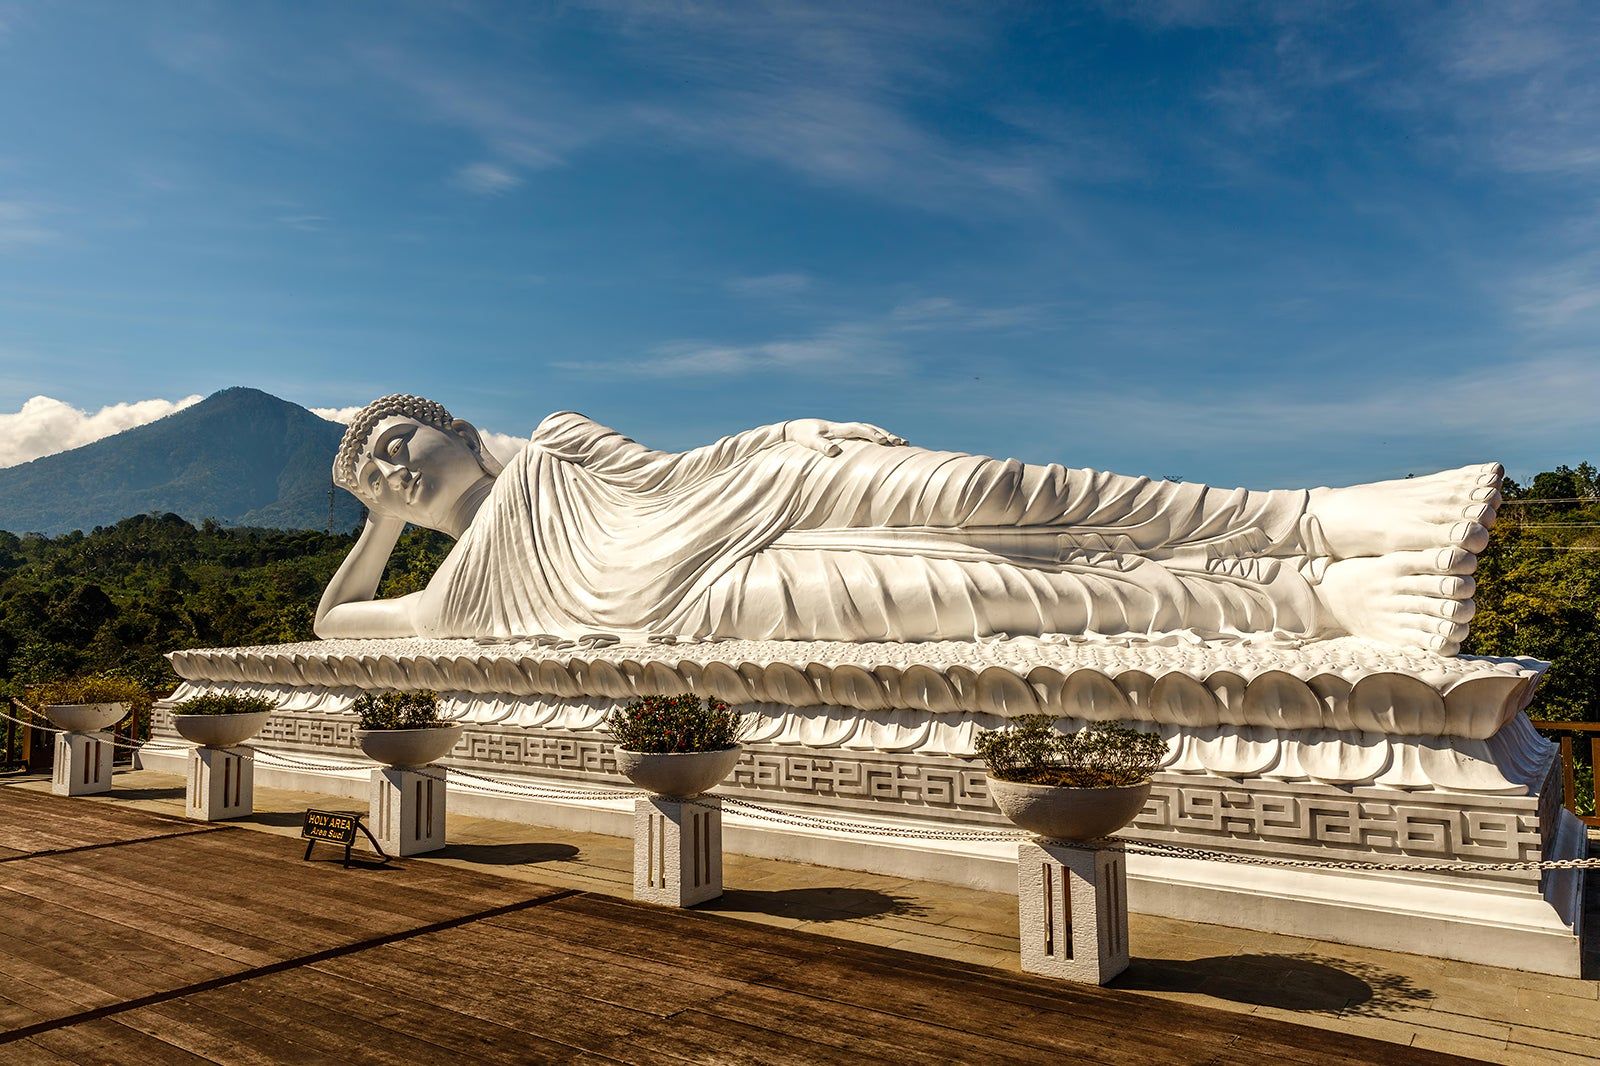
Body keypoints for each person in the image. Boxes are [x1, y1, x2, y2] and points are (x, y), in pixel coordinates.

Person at [315, 394, 1497, 654]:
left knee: (999, 497)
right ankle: (1306, 603)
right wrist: (376, 525)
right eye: (368, 472)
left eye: (390, 440)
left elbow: (671, 465)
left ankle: (1310, 516)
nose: (383, 466)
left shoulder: (560, 441)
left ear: (456, 428)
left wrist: (792, 429)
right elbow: (332, 629)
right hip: (705, 605)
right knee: (1013, 597)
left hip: (745, 491)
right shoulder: (451, 591)